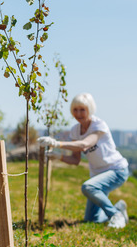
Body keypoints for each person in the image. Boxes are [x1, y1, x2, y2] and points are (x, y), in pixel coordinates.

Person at [37, 93, 129, 229]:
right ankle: (118, 208)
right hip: (97, 175)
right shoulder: (75, 131)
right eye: (75, 110)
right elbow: (75, 159)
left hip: (116, 170)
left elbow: (84, 145)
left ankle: (116, 215)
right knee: (93, 219)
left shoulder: (98, 125)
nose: (78, 113)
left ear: (89, 109)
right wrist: (58, 156)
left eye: (82, 109)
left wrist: (56, 143)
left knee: (88, 187)